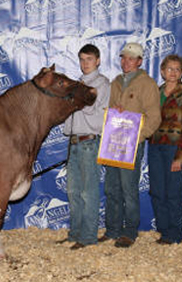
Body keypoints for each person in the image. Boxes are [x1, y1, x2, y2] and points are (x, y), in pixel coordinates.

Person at [99, 42, 161, 248]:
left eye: (132, 58)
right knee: (111, 188)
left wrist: (138, 137)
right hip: (114, 143)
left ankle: (129, 231)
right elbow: (109, 112)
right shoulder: (115, 82)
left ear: (140, 61)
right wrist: (114, 113)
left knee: (128, 189)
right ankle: (112, 229)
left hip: (131, 145)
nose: (126, 61)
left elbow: (154, 117)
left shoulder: (147, 84)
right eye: (124, 57)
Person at [59, 44, 110, 249]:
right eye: (81, 59)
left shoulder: (103, 84)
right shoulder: (77, 84)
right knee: (73, 190)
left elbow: (101, 118)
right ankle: (75, 233)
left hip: (90, 140)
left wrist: (82, 101)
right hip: (74, 141)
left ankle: (88, 236)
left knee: (88, 191)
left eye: (89, 59)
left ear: (97, 61)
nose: (85, 63)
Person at [148, 55, 182, 245]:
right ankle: (164, 230)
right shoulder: (156, 93)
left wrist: (181, 157)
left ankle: (175, 233)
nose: (173, 72)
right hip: (155, 147)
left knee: (173, 192)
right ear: (162, 71)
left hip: (174, 149)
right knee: (157, 191)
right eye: (170, 69)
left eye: (177, 69)